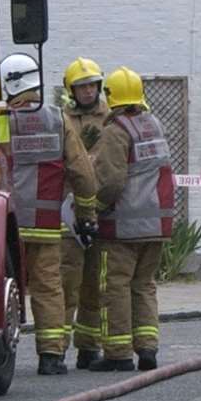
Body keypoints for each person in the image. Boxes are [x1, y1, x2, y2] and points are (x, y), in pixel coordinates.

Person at [0, 52, 98, 376]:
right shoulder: (58, 119)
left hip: (4, 226)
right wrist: (86, 214)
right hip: (43, 224)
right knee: (48, 286)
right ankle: (51, 356)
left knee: (1, 288)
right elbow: (83, 172)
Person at [89, 67, 176, 372]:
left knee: (115, 286)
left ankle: (118, 352)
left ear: (110, 96)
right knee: (144, 286)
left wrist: (92, 209)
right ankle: (148, 349)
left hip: (123, 227)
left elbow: (110, 181)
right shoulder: (153, 124)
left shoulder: (116, 131)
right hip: (156, 226)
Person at [60, 57, 111, 369]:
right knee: (68, 281)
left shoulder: (110, 119)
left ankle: (89, 347)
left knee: (95, 283)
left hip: (101, 210)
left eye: (91, 85)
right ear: (72, 91)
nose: (88, 91)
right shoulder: (62, 119)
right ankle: (57, 348)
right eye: (81, 87)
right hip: (69, 210)